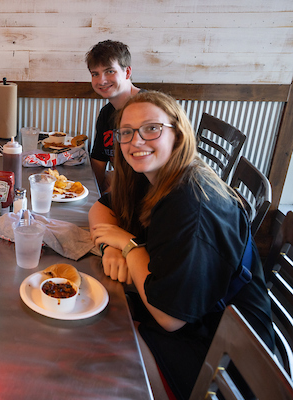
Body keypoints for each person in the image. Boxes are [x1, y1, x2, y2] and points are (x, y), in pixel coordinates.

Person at [88, 91, 274, 399]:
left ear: (178, 134)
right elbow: (101, 208)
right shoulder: (149, 173)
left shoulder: (191, 203)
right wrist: (111, 248)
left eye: (151, 128)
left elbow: (169, 317)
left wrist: (129, 246)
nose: (136, 141)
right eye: (126, 132)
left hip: (226, 361)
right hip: (193, 320)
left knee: (101, 345)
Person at [86, 40, 141, 193]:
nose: (101, 80)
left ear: (127, 72)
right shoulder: (106, 113)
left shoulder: (148, 110)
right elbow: (98, 160)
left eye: (110, 71)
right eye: (95, 74)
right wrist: (93, 193)